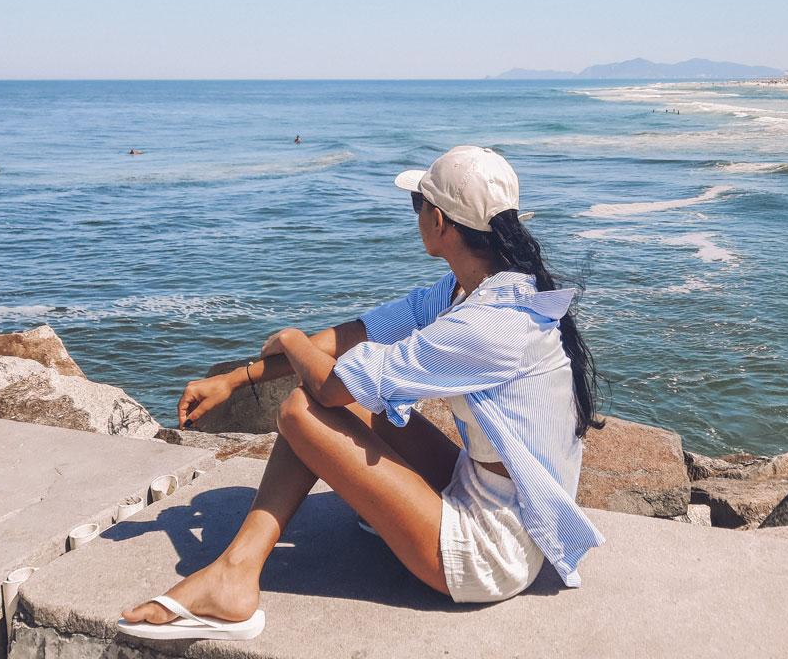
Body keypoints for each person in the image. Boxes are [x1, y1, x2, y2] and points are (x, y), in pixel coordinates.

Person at [118, 145, 607, 640]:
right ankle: (252, 565)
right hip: (488, 492)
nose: (416, 216)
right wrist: (235, 378)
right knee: (326, 397)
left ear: (439, 221)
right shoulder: (482, 289)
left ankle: (233, 576)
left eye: (417, 205)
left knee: (303, 408)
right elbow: (359, 334)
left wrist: (290, 338)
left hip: (490, 553)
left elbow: (331, 387)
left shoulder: (487, 325)